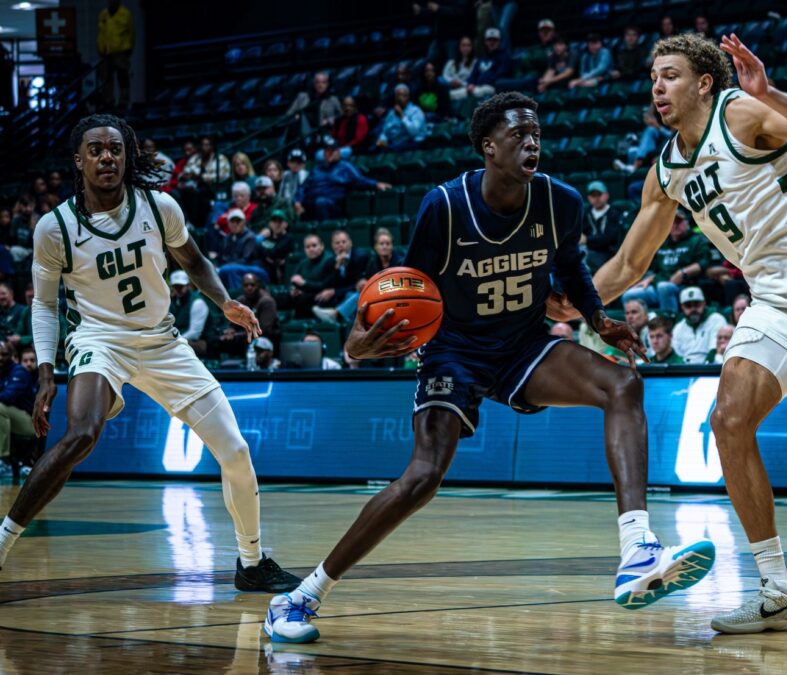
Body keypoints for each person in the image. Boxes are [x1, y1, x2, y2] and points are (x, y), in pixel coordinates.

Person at [263, 92, 715, 644]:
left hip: (523, 346)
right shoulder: (444, 207)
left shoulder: (560, 201)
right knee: (422, 477)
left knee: (622, 382)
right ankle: (301, 596)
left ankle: (637, 550)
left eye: (537, 133)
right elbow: (405, 290)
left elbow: (571, 269)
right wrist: (360, 341)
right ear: (489, 147)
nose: (533, 141)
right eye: (520, 134)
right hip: (454, 350)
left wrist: (600, 317)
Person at [558, 34, 787, 633]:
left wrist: (772, 94)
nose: (658, 87)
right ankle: (778, 591)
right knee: (728, 420)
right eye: (654, 77)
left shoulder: (739, 113)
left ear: (704, 83)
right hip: (776, 300)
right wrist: (573, 301)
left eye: (671, 75)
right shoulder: (666, 172)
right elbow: (630, 265)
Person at [0, 114, 299, 592]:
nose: (107, 157)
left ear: (127, 156)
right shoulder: (53, 228)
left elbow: (195, 261)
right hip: (99, 340)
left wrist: (224, 302)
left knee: (236, 450)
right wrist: (45, 376)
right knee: (82, 434)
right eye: (95, 149)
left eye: (116, 149)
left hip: (163, 342)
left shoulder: (160, 208)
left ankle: (251, 561)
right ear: (78, 161)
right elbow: (44, 307)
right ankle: (3, 543)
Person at [620, 208, 709, 313]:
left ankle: (668, 322)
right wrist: (648, 279)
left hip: (684, 286)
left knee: (664, 287)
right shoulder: (662, 243)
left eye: (679, 222)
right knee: (629, 295)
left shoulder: (696, 240)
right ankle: (645, 324)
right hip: (658, 284)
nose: (675, 225)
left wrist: (683, 272)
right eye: (672, 222)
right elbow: (655, 269)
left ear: (686, 223)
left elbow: (704, 263)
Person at [296, 137, 392, 221]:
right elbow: (303, 187)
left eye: (332, 151)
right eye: (327, 151)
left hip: (332, 204)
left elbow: (359, 180)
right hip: (311, 203)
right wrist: (298, 201)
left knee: (321, 202)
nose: (329, 153)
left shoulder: (345, 167)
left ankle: (325, 233)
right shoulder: (316, 170)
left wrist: (376, 184)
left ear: (338, 152)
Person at [671, 286, 728, 363]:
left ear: (704, 303)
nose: (693, 309)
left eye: (697, 304)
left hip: (711, 367)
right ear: (682, 307)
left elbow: (715, 349)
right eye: (688, 305)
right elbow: (676, 354)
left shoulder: (716, 319)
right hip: (685, 369)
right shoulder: (678, 328)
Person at [96, 0, 134, 109]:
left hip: (121, 51)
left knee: (123, 77)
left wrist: (128, 49)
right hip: (106, 52)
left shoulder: (125, 14)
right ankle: (108, 101)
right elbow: (101, 33)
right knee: (106, 78)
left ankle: (124, 101)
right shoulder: (103, 14)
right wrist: (100, 47)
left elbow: (131, 33)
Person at [285, 71, 342, 144]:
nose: (320, 85)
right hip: (301, 132)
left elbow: (342, 115)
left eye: (323, 82)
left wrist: (329, 120)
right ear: (314, 84)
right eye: (317, 82)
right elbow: (289, 114)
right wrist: (295, 116)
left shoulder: (333, 100)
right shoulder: (302, 97)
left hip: (322, 131)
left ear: (327, 84)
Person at [0, 341, 33, 463]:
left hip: (30, 422)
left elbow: (8, 396)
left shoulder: (19, 371)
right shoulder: (1, 372)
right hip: (10, 418)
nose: (0, 358)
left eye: (4, 354)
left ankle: (2, 460)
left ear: (11, 355)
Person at [582, 181, 625, 271]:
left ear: (606, 195)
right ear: (589, 198)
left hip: (609, 253)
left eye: (599, 194)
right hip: (590, 251)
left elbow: (609, 238)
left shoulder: (614, 213)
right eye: (593, 196)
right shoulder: (585, 213)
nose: (596, 198)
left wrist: (586, 239)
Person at [169, 270, 210, 357]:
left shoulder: (197, 302)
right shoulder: (172, 301)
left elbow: (195, 333)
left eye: (181, 286)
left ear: (188, 285)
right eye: (176, 286)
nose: (178, 289)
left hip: (197, 342)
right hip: (175, 339)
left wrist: (172, 341)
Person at [375, 85, 428, 151]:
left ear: (408, 97)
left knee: (393, 148)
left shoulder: (416, 111)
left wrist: (402, 117)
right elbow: (385, 130)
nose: (400, 98)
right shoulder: (392, 113)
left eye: (403, 95)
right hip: (397, 142)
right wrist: (382, 139)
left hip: (413, 142)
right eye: (398, 95)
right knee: (373, 149)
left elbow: (414, 133)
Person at [444, 36, 478, 101]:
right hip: (451, 86)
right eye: (463, 45)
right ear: (459, 47)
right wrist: (451, 81)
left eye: (468, 45)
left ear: (472, 47)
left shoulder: (476, 63)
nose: (466, 48)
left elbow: (474, 79)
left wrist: (460, 83)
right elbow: (445, 75)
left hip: (465, 88)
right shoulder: (451, 62)